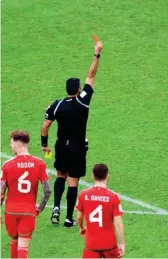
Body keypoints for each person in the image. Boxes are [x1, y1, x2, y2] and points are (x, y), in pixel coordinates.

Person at [40, 41, 103, 227]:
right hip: (77, 147)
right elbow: (91, 75)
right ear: (78, 90)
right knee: (73, 181)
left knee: (60, 175)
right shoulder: (83, 101)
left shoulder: (57, 105)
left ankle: (56, 208)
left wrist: (44, 144)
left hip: (61, 145)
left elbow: (45, 127)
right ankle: (69, 218)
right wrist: (97, 54)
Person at [1, 130, 51, 258]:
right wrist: (39, 209)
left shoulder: (7, 165)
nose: (10, 146)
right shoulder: (39, 163)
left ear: (17, 144)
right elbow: (47, 190)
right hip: (28, 211)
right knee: (23, 247)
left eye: (11, 143)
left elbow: (1, 192)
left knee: (14, 240)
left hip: (10, 212)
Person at [76, 163, 125, 258]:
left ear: (92, 176)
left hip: (91, 244)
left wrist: (82, 227)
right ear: (108, 176)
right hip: (109, 244)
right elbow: (118, 223)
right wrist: (122, 243)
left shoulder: (83, 195)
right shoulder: (113, 197)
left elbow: (79, 216)